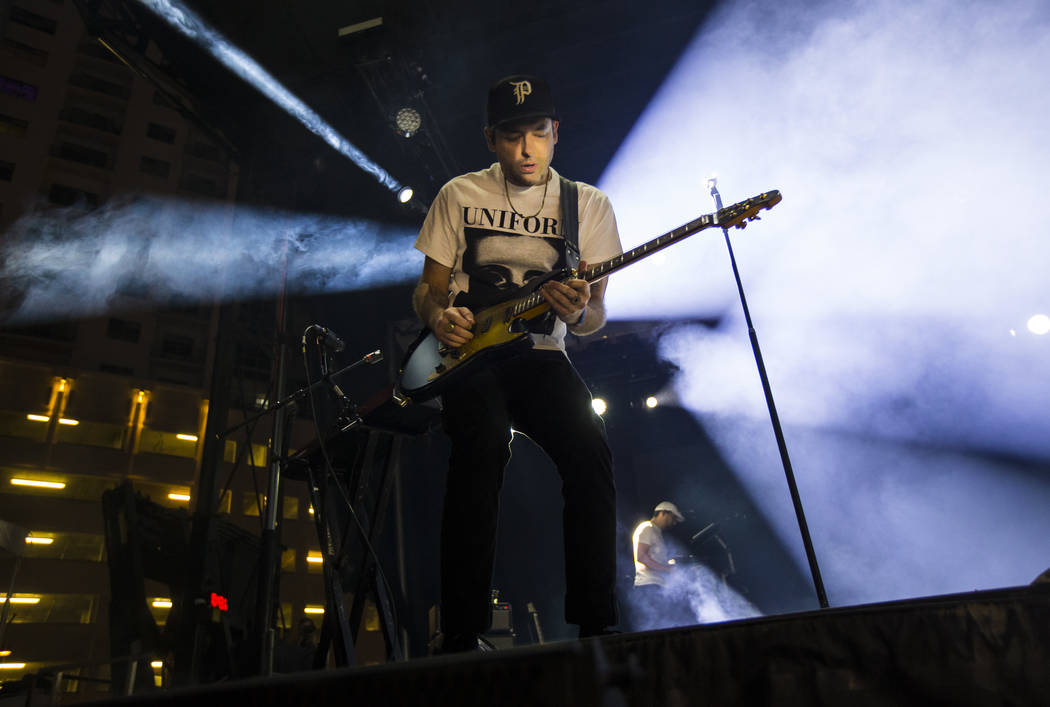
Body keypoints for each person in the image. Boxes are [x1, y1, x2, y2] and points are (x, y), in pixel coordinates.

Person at [412, 74, 623, 651]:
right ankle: (461, 631)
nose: (526, 149)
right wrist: (437, 319)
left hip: (540, 354)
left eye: (537, 133)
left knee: (590, 451)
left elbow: (595, 315)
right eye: (511, 137)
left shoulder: (589, 206)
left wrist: (578, 313)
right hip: (468, 354)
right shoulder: (460, 194)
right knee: (480, 451)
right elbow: (427, 291)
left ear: (556, 133)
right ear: (491, 139)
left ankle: (596, 622)